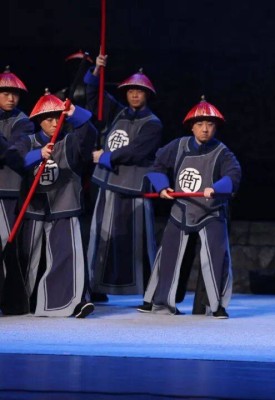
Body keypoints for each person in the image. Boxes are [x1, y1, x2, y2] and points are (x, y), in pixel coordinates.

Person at [139, 96, 241, 317]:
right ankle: (157, 301)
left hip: (211, 211)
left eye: (210, 124)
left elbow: (233, 175)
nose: (205, 129)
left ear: (215, 127)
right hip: (181, 209)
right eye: (200, 124)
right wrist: (162, 187)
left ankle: (216, 306)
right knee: (168, 255)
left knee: (216, 257)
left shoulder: (222, 152)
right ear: (192, 127)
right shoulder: (178, 146)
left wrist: (216, 188)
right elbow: (158, 165)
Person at [5, 91, 97, 317]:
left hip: (64, 205)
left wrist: (75, 113)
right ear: (39, 121)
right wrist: (39, 154)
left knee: (67, 256)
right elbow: (15, 160)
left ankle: (72, 303)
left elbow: (89, 135)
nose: (55, 123)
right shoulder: (27, 141)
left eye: (58, 118)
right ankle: (23, 303)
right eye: (49, 119)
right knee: (28, 259)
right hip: (34, 208)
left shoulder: (70, 141)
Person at [84, 54, 161, 300]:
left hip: (134, 187)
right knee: (101, 237)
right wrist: (97, 70)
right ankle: (95, 287)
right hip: (108, 182)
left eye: (140, 91)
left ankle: (151, 292)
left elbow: (137, 151)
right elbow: (93, 96)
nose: (135, 95)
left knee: (138, 241)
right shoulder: (117, 112)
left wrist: (105, 156)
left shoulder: (153, 123)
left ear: (147, 94)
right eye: (131, 91)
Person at [0, 66, 34, 315]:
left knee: (8, 247)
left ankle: (13, 302)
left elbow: (16, 154)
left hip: (9, 192)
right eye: (5, 93)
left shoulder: (24, 123)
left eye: (15, 94)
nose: (11, 98)